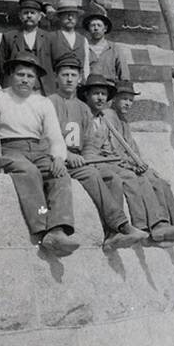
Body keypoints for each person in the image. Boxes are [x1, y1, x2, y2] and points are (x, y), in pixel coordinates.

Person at [79, 75, 174, 245]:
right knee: (137, 179)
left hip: (122, 162)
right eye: (124, 99)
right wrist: (130, 165)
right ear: (114, 99)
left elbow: (132, 150)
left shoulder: (123, 122)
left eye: (130, 100)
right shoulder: (108, 116)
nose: (127, 103)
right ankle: (150, 227)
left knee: (159, 182)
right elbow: (106, 149)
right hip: (109, 163)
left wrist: (140, 164)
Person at [47, 55, 146, 252]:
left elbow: (88, 142)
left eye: (73, 75)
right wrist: (65, 154)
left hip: (78, 160)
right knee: (79, 176)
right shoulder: (48, 102)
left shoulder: (83, 109)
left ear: (78, 79)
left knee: (109, 177)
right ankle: (120, 226)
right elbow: (44, 136)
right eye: (64, 75)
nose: (68, 79)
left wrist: (86, 157)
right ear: (57, 78)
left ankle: (114, 232)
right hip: (53, 157)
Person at [0, 51, 78, 256]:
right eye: (20, 74)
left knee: (60, 175)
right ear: (11, 75)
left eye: (30, 76)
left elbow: (54, 136)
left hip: (38, 150)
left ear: (36, 80)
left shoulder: (42, 102)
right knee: (29, 172)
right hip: (10, 149)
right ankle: (42, 228)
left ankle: (58, 229)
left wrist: (58, 158)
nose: (25, 80)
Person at [0, 0, 55, 92]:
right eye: (26, 13)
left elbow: (55, 66)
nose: (29, 16)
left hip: (43, 91)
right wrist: (9, 85)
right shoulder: (9, 37)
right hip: (15, 90)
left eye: (33, 13)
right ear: (20, 16)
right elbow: (0, 68)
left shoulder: (50, 38)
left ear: (40, 17)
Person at [82, 9, 129, 86]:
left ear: (105, 28)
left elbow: (124, 75)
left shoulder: (114, 48)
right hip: (88, 87)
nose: (96, 28)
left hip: (109, 88)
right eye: (93, 25)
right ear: (88, 28)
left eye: (99, 25)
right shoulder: (83, 47)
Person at [48, 4, 89, 78]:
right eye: (66, 15)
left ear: (77, 18)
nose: (70, 18)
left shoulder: (83, 40)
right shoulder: (50, 37)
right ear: (59, 17)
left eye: (73, 15)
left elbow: (86, 65)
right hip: (56, 82)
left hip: (78, 83)